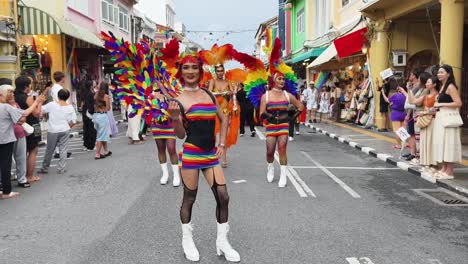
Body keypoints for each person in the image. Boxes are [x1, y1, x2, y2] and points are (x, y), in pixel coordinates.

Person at [167, 54, 240, 262]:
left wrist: (222, 144)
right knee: (189, 198)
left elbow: (224, 118)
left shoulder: (209, 93)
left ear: (200, 70)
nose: (190, 72)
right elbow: (180, 135)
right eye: (186, 68)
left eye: (194, 68)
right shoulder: (178, 100)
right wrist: (174, 118)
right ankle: (187, 239)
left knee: (223, 196)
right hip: (191, 153)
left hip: (210, 154)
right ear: (181, 72)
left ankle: (222, 242)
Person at [0, 84, 44, 199]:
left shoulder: (7, 106)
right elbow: (24, 114)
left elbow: (21, 118)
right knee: (6, 164)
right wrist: (36, 102)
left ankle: (3, 187)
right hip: (6, 139)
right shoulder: (5, 107)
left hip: (6, 137)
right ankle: (6, 191)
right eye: (9, 92)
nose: (11, 94)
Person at [260, 72, 304, 187]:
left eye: (283, 79)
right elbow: (261, 113)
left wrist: (291, 117)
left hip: (284, 126)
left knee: (282, 148)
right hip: (271, 127)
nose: (282, 81)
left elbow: (301, 106)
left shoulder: (287, 95)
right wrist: (270, 117)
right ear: (274, 81)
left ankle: (283, 174)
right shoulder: (266, 95)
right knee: (270, 152)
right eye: (279, 79)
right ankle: (270, 167)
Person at [400, 76, 438, 171]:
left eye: (429, 82)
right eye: (427, 82)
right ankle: (425, 160)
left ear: (434, 84)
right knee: (424, 141)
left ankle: (432, 162)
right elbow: (412, 101)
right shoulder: (425, 96)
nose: (427, 84)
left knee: (431, 141)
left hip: (432, 121)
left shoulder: (437, 95)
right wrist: (408, 89)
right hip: (424, 120)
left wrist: (425, 112)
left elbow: (437, 109)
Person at [432, 64, 463, 179]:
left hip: (448, 119)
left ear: (448, 74)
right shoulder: (443, 86)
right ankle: (444, 168)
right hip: (441, 117)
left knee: (448, 143)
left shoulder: (450, 86)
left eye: (441, 72)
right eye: (438, 72)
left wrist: (441, 104)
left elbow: (458, 103)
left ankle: (449, 172)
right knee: (442, 143)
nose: (439, 74)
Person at [37, 89, 77, 174]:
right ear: (67, 97)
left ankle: (45, 168)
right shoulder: (70, 107)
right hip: (65, 129)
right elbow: (74, 121)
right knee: (63, 149)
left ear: (58, 96)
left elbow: (41, 110)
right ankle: (61, 168)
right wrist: (67, 127)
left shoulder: (52, 105)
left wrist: (40, 102)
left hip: (53, 131)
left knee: (49, 150)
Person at [14, 76, 43, 183]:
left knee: (21, 151)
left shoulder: (14, 96)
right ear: (26, 86)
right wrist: (39, 102)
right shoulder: (27, 97)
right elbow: (37, 113)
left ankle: (20, 174)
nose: (31, 86)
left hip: (20, 125)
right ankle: (29, 175)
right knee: (33, 150)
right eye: (30, 84)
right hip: (32, 125)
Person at [208, 64, 237, 167]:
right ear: (215, 72)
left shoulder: (227, 82)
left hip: (225, 110)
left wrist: (231, 92)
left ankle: (224, 158)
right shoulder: (213, 81)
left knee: (224, 134)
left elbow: (233, 93)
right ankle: (211, 156)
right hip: (214, 110)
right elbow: (210, 93)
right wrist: (222, 93)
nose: (220, 73)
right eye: (218, 71)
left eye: (221, 70)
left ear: (224, 71)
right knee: (212, 133)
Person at [151, 94, 180, 187]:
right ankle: (165, 174)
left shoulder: (168, 89)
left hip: (170, 125)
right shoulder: (149, 93)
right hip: (156, 126)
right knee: (161, 149)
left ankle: (176, 175)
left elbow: (176, 103)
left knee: (171, 149)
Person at [403, 71, 430, 161]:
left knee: (419, 137)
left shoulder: (425, 90)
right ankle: (417, 156)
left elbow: (414, 101)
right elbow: (411, 100)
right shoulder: (421, 90)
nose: (418, 82)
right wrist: (409, 90)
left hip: (421, 115)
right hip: (416, 114)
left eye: (419, 80)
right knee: (417, 136)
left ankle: (419, 156)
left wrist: (407, 91)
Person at [93, 82, 112, 159]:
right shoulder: (106, 96)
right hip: (103, 116)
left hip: (95, 116)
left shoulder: (96, 94)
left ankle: (106, 151)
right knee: (101, 135)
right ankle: (97, 154)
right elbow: (108, 108)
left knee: (101, 134)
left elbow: (94, 104)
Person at [385, 84, 406, 149]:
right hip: (403, 113)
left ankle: (399, 145)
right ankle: (404, 143)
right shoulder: (405, 96)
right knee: (403, 130)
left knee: (397, 130)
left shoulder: (395, 96)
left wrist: (383, 93)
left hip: (395, 113)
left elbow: (387, 100)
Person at [80, 80, 97, 151]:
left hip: (84, 112)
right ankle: (91, 145)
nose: (94, 84)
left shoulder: (84, 93)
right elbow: (92, 104)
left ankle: (86, 144)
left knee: (86, 128)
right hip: (90, 112)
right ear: (91, 86)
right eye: (93, 83)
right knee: (91, 129)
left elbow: (82, 104)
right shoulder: (91, 94)